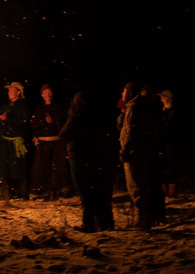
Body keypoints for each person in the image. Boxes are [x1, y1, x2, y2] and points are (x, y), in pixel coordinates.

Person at [59, 90, 116, 232]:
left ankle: (89, 223)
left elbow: (63, 134)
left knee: (85, 192)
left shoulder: (76, 116)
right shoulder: (96, 116)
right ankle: (103, 222)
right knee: (96, 190)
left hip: (79, 158)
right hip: (95, 158)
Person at [120, 83, 164, 229]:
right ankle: (145, 217)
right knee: (140, 185)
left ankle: (142, 220)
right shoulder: (140, 106)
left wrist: (125, 149)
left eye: (124, 91)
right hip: (142, 151)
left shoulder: (133, 107)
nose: (122, 93)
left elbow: (130, 130)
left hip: (134, 153)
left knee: (135, 186)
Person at [30, 83, 70, 199]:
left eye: (49, 92)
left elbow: (63, 122)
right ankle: (42, 191)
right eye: (45, 93)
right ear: (42, 95)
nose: (48, 95)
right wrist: (43, 121)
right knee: (42, 168)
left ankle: (61, 189)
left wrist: (54, 120)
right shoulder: (38, 109)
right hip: (43, 143)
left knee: (58, 167)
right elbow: (33, 124)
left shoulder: (59, 107)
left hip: (57, 142)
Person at [0, 81, 31, 200]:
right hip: (5, 140)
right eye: (8, 90)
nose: (9, 92)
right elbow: (2, 120)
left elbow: (23, 122)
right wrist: (1, 119)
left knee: (18, 168)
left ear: (18, 92)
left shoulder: (23, 105)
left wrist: (8, 118)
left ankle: (21, 193)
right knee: (4, 167)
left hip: (16, 140)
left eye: (11, 90)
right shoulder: (6, 106)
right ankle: (6, 193)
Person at [160, 89, 177, 199]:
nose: (161, 99)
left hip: (170, 142)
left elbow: (168, 126)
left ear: (167, 99)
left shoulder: (173, 112)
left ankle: (171, 190)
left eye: (162, 97)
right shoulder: (163, 110)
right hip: (163, 142)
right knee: (162, 165)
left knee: (171, 166)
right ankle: (164, 189)